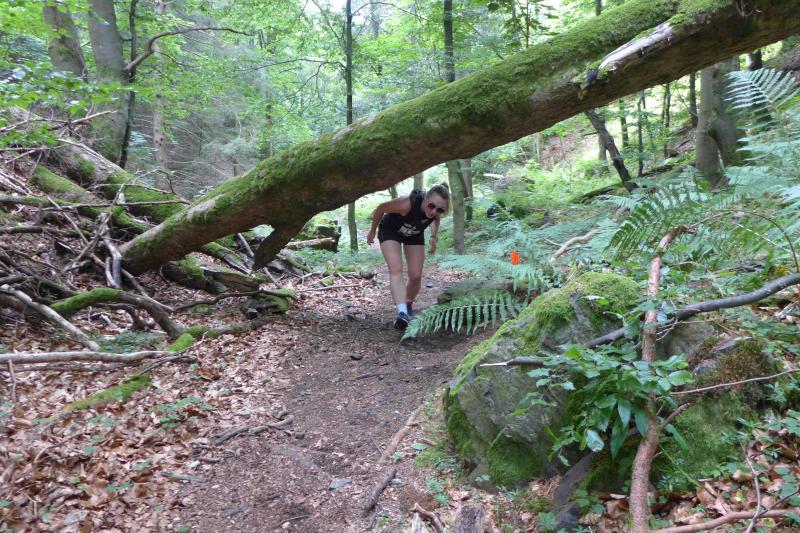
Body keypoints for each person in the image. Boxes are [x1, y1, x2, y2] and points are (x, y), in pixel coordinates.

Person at [366, 184, 450, 330]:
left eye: (440, 210)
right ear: (425, 198)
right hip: (391, 230)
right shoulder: (406, 204)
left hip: (414, 233)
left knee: (416, 275)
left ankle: (408, 304)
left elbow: (436, 219)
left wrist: (433, 236)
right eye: (431, 206)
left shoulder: (435, 212)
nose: (434, 211)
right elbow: (381, 208)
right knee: (396, 269)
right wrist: (372, 231)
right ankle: (402, 313)